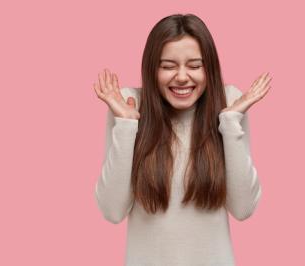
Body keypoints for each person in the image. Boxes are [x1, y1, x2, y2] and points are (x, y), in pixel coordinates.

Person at [93, 13, 272, 266]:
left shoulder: (229, 103)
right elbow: (112, 211)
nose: (181, 77)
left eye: (195, 65)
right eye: (168, 66)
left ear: (209, 68)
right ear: (151, 69)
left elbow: (243, 208)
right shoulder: (129, 105)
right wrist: (126, 125)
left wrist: (230, 122)